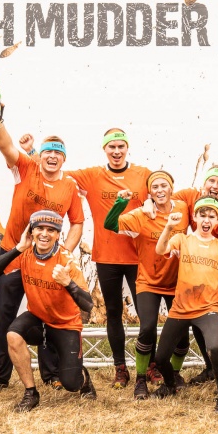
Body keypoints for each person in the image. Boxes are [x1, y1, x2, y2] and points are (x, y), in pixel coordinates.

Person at [0, 102, 85, 392]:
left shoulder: (69, 186)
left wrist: (65, 252)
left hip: (48, 260)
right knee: (4, 316)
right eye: (48, 151)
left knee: (48, 315)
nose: (53, 156)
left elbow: (77, 222)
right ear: (41, 155)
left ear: (64, 159)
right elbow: (5, 146)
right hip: (14, 254)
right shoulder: (27, 168)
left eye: (58, 153)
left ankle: (51, 374)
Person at [65, 129, 152, 389]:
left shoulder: (143, 174)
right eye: (111, 147)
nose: (116, 151)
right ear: (104, 149)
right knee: (113, 312)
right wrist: (33, 151)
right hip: (106, 256)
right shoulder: (92, 175)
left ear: (127, 148)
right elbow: (54, 170)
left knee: (146, 314)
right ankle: (120, 368)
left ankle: (151, 365)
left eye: (120, 146)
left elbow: (163, 193)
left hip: (138, 256)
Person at [0, 210, 97, 412]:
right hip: (38, 319)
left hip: (65, 324)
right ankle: (31, 393)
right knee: (13, 335)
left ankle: (84, 378)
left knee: (71, 384)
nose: (44, 234)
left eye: (51, 230)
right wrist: (18, 248)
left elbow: (88, 305)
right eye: (39, 229)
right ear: (32, 232)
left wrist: (67, 282)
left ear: (58, 235)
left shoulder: (66, 260)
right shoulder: (25, 253)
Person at [144, 164, 218, 388]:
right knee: (161, 358)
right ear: (193, 216)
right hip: (183, 304)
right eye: (211, 181)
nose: (207, 220)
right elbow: (163, 200)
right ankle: (172, 385)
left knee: (216, 342)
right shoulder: (183, 231)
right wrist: (157, 213)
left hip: (210, 296)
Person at [104, 170, 191, 399]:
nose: (160, 190)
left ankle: (174, 375)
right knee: (147, 329)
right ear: (150, 192)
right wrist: (120, 202)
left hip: (177, 282)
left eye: (164, 186)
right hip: (148, 282)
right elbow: (110, 224)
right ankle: (141, 378)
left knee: (182, 335)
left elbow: (205, 214)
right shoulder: (141, 215)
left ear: (171, 188)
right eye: (155, 187)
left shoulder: (183, 209)